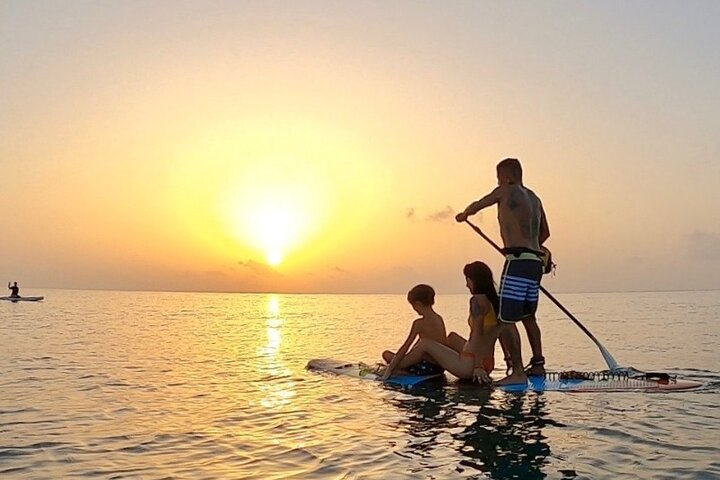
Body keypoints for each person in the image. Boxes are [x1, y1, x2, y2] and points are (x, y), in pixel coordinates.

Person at [455, 158, 550, 385]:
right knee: (529, 317)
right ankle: (538, 365)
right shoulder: (535, 199)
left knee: (505, 318)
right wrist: (528, 243)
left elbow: (480, 203)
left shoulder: (505, 190)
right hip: (534, 262)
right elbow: (545, 233)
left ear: (506, 176)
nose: (497, 182)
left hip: (516, 262)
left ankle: (517, 372)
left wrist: (464, 215)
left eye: (498, 177)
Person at [394, 261, 501, 385]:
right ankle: (424, 359)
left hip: (470, 366)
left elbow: (477, 334)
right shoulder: (495, 301)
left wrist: (478, 366)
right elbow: (504, 333)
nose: (466, 284)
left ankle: (396, 366)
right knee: (451, 337)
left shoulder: (476, 301)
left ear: (475, 281)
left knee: (425, 343)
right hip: (488, 362)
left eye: (468, 280)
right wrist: (509, 360)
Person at [380, 284, 448, 380]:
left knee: (386, 355)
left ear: (418, 304)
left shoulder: (419, 323)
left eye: (413, 306)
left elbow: (406, 346)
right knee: (395, 358)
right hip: (439, 367)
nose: (414, 309)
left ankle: (399, 372)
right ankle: (400, 368)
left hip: (425, 368)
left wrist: (389, 370)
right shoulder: (438, 319)